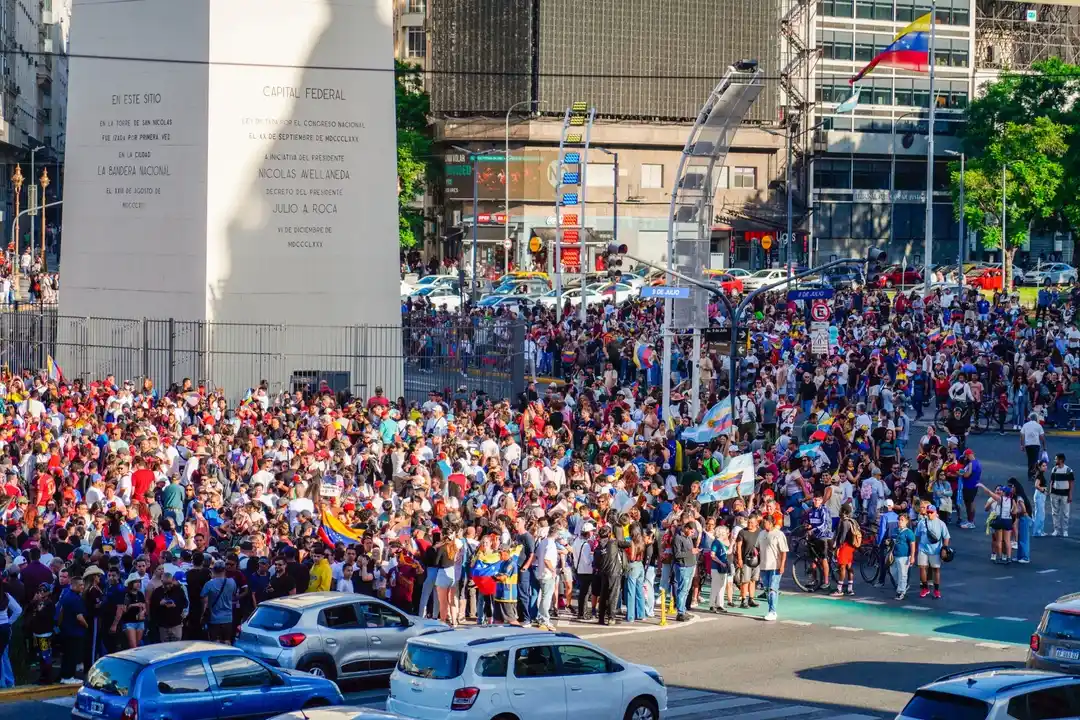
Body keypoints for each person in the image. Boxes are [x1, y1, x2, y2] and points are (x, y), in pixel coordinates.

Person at [915, 504, 950, 599]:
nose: (929, 514)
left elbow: (946, 537)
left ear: (935, 513)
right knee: (922, 567)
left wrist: (944, 549)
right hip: (923, 549)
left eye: (931, 512)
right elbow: (917, 535)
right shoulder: (922, 523)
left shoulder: (941, 523)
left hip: (936, 550)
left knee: (936, 569)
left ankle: (936, 590)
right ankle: (925, 588)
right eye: (928, 512)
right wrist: (916, 548)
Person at [758, 514, 788, 621]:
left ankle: (772, 611)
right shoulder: (761, 533)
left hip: (775, 566)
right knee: (766, 589)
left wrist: (782, 565)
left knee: (772, 588)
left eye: (765, 522)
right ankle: (770, 609)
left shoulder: (779, 534)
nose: (763, 524)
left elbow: (784, 551)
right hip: (763, 565)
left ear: (770, 523)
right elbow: (757, 547)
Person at [979, 483, 1018, 564]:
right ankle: (1009, 558)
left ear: (1004, 492)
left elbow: (989, 492)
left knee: (999, 540)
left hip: (1000, 520)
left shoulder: (1000, 499)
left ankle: (999, 557)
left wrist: (982, 486)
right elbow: (1015, 511)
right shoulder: (1012, 500)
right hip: (1008, 520)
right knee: (1007, 541)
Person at [201, 561, 237, 645]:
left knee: (215, 643)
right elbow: (234, 594)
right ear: (224, 570)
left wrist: (202, 615)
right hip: (228, 618)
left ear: (213, 570)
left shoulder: (209, 584)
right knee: (227, 641)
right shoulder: (232, 582)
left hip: (214, 619)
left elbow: (204, 601)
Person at [733, 514, 762, 609]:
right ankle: (743, 600)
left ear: (756, 523)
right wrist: (739, 559)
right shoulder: (742, 532)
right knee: (745, 581)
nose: (750, 524)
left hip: (756, 560)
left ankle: (751, 599)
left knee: (753, 580)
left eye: (752, 523)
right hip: (746, 560)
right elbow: (738, 546)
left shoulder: (760, 532)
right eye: (748, 522)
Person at [149, 572, 187, 642]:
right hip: (163, 625)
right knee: (165, 646)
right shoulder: (157, 591)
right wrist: (160, 603)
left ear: (172, 580)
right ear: (162, 581)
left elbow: (185, 603)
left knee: (176, 645)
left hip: (176, 624)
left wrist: (176, 605)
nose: (168, 586)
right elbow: (152, 607)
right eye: (166, 584)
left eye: (170, 583)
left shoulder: (178, 590)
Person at [832, 504, 859, 597]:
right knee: (849, 567)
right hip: (851, 547)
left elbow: (842, 537)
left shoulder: (844, 522)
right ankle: (850, 589)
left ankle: (839, 589)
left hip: (845, 547)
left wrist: (837, 547)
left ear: (843, 511)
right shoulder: (853, 521)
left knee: (842, 568)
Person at [890, 514, 916, 600]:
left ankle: (901, 591)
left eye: (902, 520)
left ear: (906, 522)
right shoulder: (895, 530)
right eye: (899, 520)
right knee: (893, 571)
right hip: (894, 555)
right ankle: (902, 586)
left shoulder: (909, 532)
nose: (900, 521)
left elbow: (912, 545)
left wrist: (912, 556)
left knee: (903, 574)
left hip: (904, 556)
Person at [1049, 453, 1074, 537]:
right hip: (1055, 494)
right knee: (1055, 512)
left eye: (1056, 459)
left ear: (1061, 460)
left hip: (1065, 495)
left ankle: (1065, 530)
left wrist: (1070, 495)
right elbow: (1052, 481)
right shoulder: (1054, 469)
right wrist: (1050, 491)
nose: (1055, 460)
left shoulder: (1068, 470)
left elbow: (1071, 483)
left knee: (1065, 513)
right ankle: (1056, 530)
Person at [708, 525, 732, 614]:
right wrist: (721, 562)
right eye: (725, 532)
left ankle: (719, 604)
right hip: (716, 567)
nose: (726, 534)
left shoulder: (721, 543)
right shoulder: (716, 542)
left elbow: (727, 552)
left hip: (722, 567)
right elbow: (712, 555)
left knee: (722, 587)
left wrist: (732, 543)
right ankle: (712, 604)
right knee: (715, 586)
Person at [1021, 413, 1047, 479]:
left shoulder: (1025, 425)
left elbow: (1022, 435)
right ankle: (1034, 474)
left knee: (1030, 460)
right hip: (1036, 445)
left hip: (1028, 445)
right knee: (1035, 460)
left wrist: (1022, 445)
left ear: (1030, 418)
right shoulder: (1038, 426)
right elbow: (1042, 437)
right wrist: (1044, 447)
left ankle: (1030, 475)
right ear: (1036, 419)